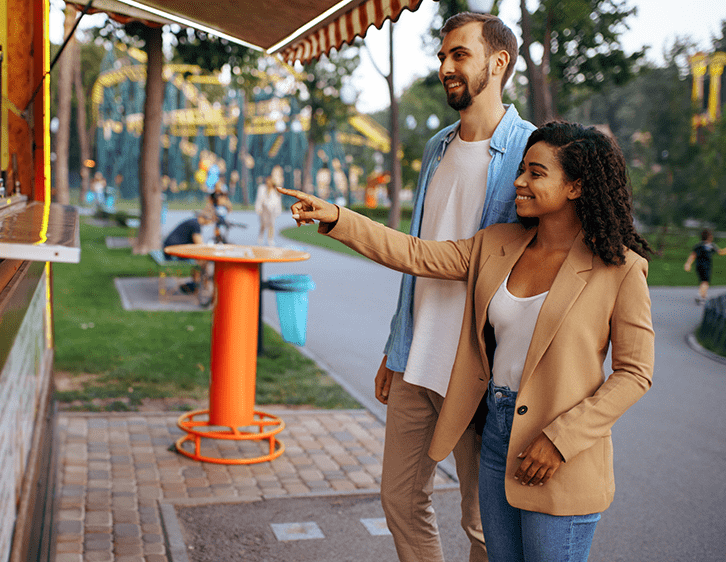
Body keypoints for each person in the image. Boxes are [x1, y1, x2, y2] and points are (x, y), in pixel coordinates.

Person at [280, 120, 655, 562]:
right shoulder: (497, 244)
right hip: (496, 435)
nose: (518, 181)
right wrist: (340, 218)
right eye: (521, 169)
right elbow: (415, 253)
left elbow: (635, 373)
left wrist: (561, 440)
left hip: (561, 452)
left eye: (536, 173)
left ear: (575, 187)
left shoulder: (621, 268)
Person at [370, 12, 535, 562]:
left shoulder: (531, 155)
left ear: (498, 62)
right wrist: (396, 348)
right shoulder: (437, 148)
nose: (445, 67)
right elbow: (419, 253)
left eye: (458, 55)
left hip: (481, 371)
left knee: (483, 523)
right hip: (418, 358)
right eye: (442, 56)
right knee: (398, 497)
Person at [163, 210, 214, 293]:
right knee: (202, 261)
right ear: (207, 219)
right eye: (211, 221)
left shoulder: (193, 222)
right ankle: (197, 285)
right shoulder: (196, 225)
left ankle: (197, 284)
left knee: (200, 260)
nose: (211, 223)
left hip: (169, 252)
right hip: (172, 255)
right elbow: (199, 244)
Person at [683, 229, 726, 303]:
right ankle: (700, 295)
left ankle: (703, 297)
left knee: (703, 281)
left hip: (698, 266)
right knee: (705, 282)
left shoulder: (698, 245)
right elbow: (721, 252)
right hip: (706, 266)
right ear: (709, 237)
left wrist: (688, 264)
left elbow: (693, 255)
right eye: (711, 236)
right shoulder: (711, 246)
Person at [255, 177, 283, 245]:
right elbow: (259, 199)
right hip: (264, 209)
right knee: (263, 224)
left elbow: (278, 202)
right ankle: (260, 237)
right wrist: (258, 209)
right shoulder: (262, 188)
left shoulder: (275, 191)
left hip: (272, 210)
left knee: (271, 224)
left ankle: (270, 239)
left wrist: (278, 211)